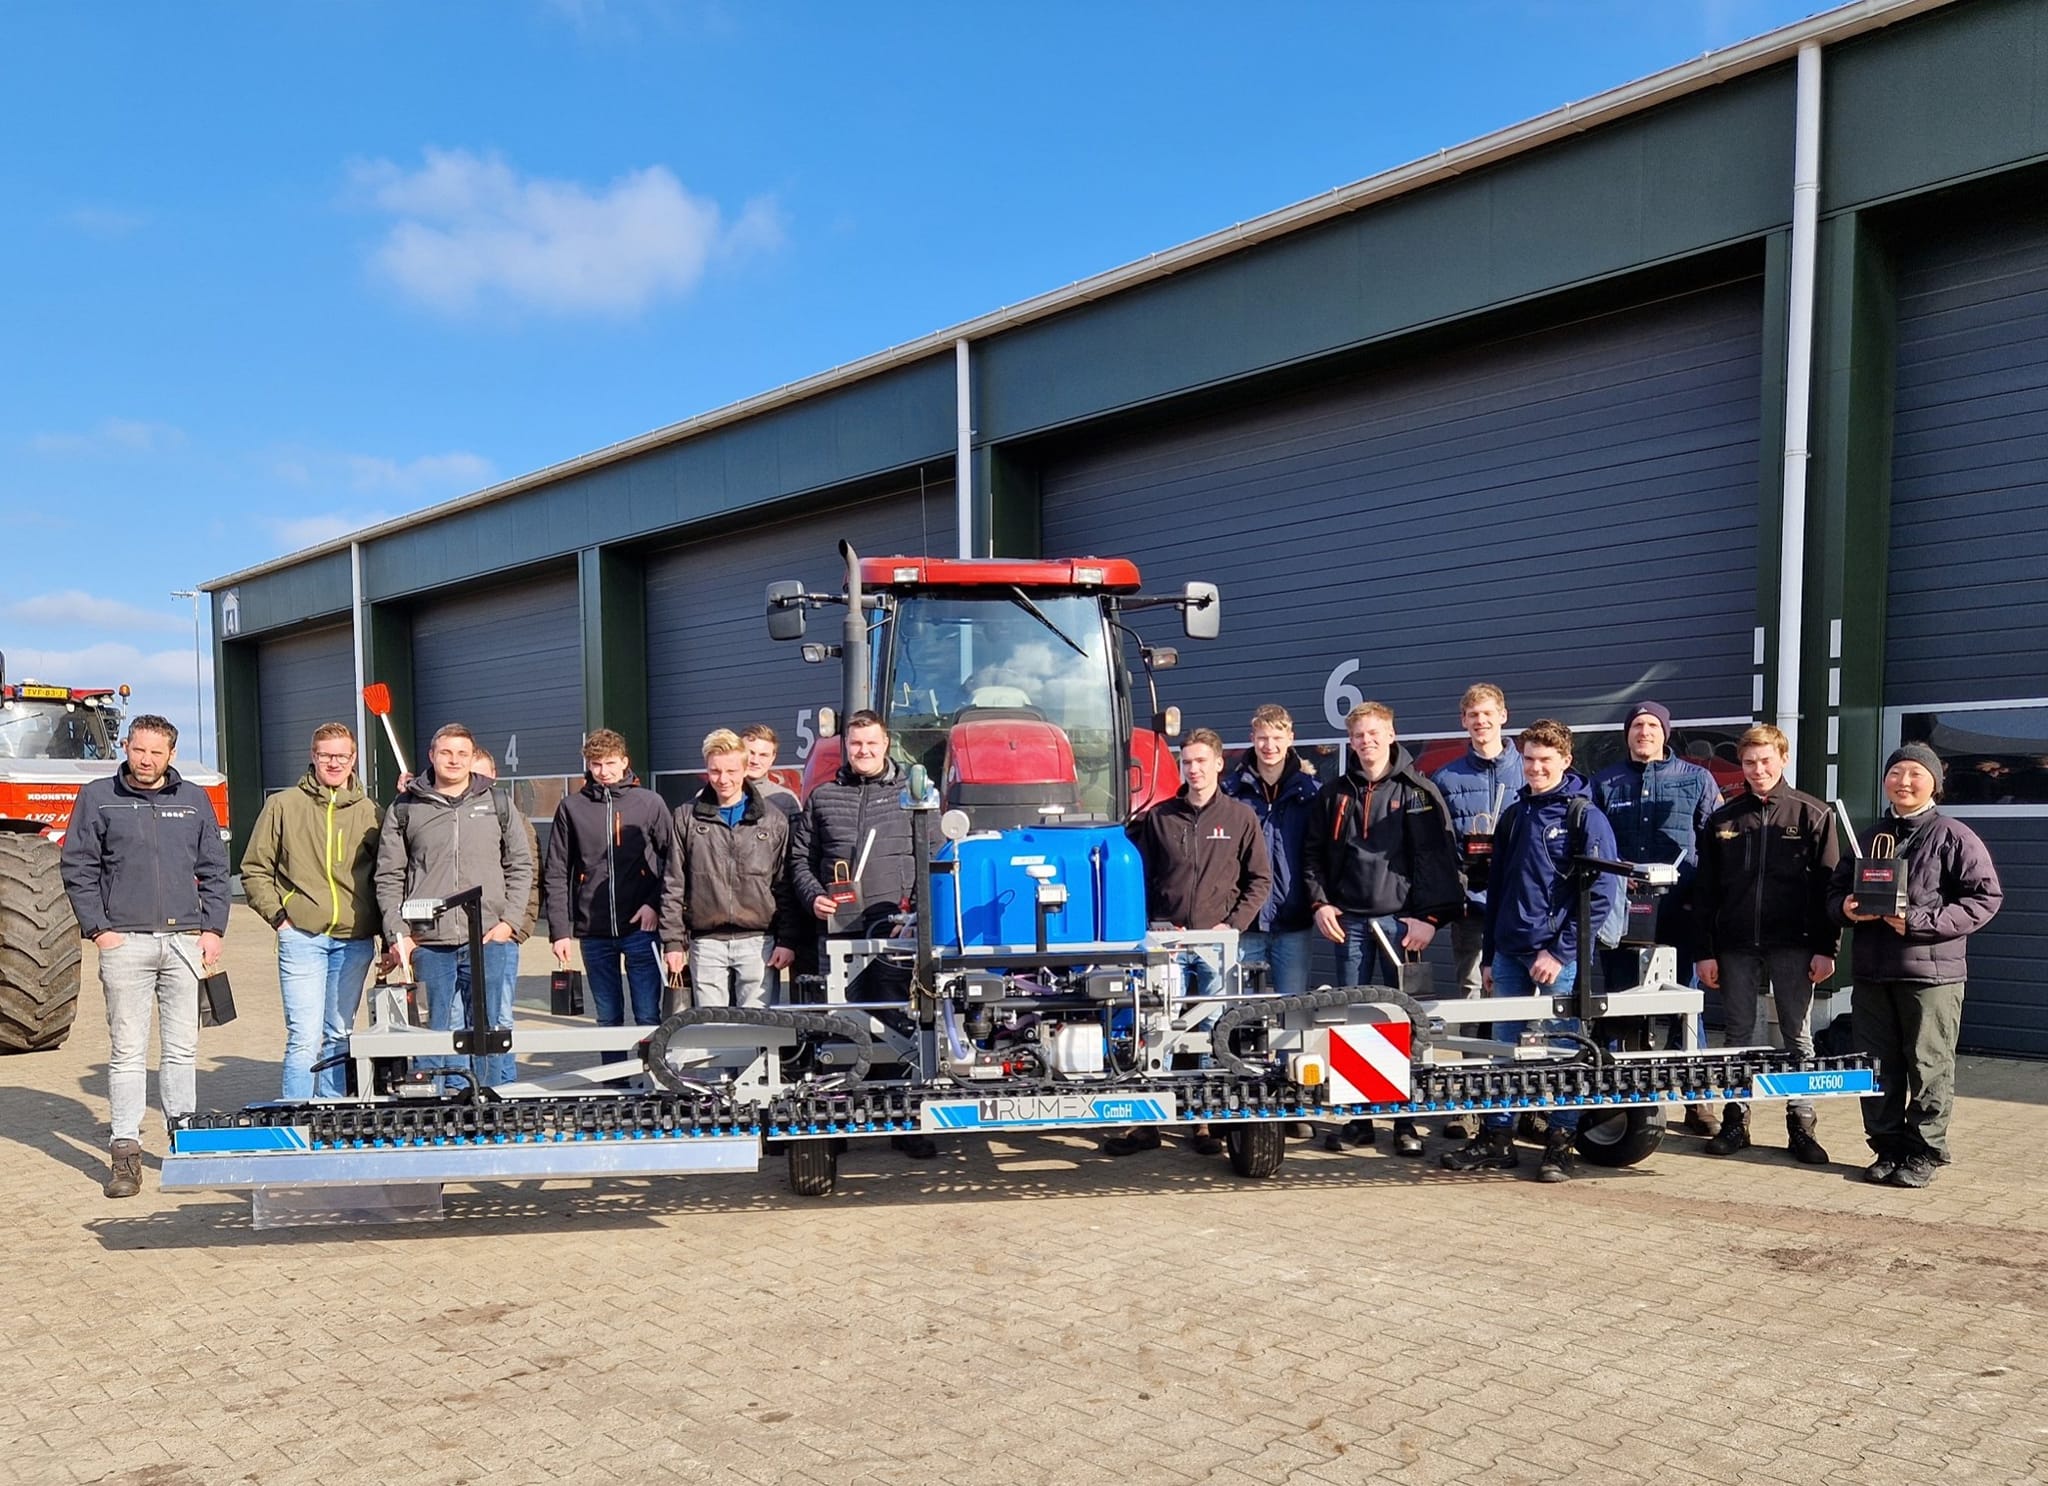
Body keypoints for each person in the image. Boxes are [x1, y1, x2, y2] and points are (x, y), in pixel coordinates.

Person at [1442, 719, 1622, 1183]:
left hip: (1554, 960)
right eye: (1529, 760)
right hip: (1509, 954)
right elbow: (1497, 889)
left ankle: (1559, 1144)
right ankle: (1498, 1138)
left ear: (1566, 761)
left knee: (1562, 1050)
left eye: (1546, 760)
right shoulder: (1515, 814)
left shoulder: (1584, 817)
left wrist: (1560, 953)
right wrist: (1488, 953)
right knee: (1503, 1050)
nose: (1536, 768)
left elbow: (1600, 894)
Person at [59, 714, 228, 1198]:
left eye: (156, 752)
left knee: (181, 1051)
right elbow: (78, 866)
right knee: (128, 1053)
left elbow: (215, 869)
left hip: (184, 944)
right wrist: (99, 930)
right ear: (126, 748)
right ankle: (125, 1153)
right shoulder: (98, 796)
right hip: (124, 944)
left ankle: (186, 1147)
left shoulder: (193, 800)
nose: (146, 760)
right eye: (139, 750)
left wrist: (213, 929)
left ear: (171, 755)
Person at [1829, 743, 2002, 1189]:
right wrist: (1847, 909)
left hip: (1932, 976)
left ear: (1934, 785)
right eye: (1896, 773)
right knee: (1877, 1066)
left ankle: (1924, 1152)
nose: (1903, 782)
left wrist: (1921, 923)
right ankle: (1888, 1148)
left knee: (1929, 1066)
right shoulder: (1866, 838)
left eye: (1915, 775)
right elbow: (1831, 893)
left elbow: (1985, 899)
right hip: (1872, 973)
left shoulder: (1955, 836)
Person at [1302, 702, 1462, 1157]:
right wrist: (1320, 904)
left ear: (1392, 735)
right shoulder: (1335, 793)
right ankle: (1360, 1120)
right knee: (1352, 1021)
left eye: (1375, 733)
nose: (1367, 742)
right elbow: (1312, 854)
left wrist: (1430, 919)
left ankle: (1404, 1121)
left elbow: (1437, 858)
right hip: (1348, 922)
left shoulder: (1418, 791)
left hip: (1401, 925)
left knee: (1401, 1021)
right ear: (1350, 741)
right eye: (1359, 735)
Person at [1113, 727, 1272, 1158]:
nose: (1194, 769)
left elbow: (1259, 881)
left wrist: (1232, 925)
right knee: (1157, 1027)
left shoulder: (1241, 818)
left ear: (1220, 764)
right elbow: (1137, 877)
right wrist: (1151, 923)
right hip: (1168, 943)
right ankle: (1146, 1122)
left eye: (1202, 761)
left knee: (1210, 1029)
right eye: (1188, 762)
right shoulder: (1160, 817)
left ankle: (1204, 1120)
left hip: (1215, 945)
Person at [789, 709, 938, 1159]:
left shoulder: (914, 795)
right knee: (837, 1033)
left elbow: (931, 857)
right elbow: (799, 861)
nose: (864, 751)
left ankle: (907, 1125)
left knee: (901, 1029)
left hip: (893, 934)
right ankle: (836, 1128)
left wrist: (910, 912)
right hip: (836, 937)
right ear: (845, 748)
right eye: (856, 745)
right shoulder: (822, 797)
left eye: (872, 743)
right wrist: (814, 896)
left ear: (886, 743)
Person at [1692, 725, 1841, 1165]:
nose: (1758, 770)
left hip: (1795, 945)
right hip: (1735, 945)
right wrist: (1705, 950)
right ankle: (1737, 1121)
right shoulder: (1723, 819)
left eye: (1765, 761)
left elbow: (1830, 889)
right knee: (1739, 1036)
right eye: (1750, 762)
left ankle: (1801, 1125)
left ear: (1783, 760)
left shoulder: (1812, 814)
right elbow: (1706, 893)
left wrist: (1827, 948)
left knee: (1798, 1037)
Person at [374, 723, 533, 1091]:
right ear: (432, 755)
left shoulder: (496, 802)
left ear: (472, 757)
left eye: (462, 753)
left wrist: (509, 922)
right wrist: (399, 935)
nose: (454, 760)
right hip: (429, 942)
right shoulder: (406, 808)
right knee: (431, 1032)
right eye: (446, 752)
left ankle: (486, 1103)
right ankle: (432, 1106)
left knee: (489, 1029)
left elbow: (521, 864)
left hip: (488, 938)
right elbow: (389, 875)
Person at [1591, 699, 1723, 1137]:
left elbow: (1715, 844)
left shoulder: (1696, 779)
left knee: (1685, 1003)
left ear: (1666, 733)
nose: (1643, 732)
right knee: (1620, 1001)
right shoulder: (1604, 782)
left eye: (1652, 726)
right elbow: (1592, 844)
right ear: (1626, 734)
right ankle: (1616, 1095)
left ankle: (1696, 1098)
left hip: (1680, 912)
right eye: (1636, 726)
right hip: (1623, 916)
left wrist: (1701, 894)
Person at [239, 722, 384, 1100]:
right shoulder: (283, 806)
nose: (334, 763)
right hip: (302, 937)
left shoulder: (371, 812)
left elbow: (385, 877)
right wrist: (281, 918)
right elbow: (254, 869)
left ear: (353, 759)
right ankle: (296, 1117)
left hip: (354, 941)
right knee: (304, 1036)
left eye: (342, 756)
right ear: (313, 756)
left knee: (339, 1034)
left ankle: (332, 1116)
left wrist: (385, 936)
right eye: (326, 755)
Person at [1430, 683, 1524, 1140]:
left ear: (1503, 715)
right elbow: (1442, 851)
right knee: (1470, 996)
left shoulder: (1530, 769)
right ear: (1463, 721)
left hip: (1521, 911)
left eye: (1488, 713)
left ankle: (1520, 1095)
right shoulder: (1447, 779)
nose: (1480, 721)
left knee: (1520, 1000)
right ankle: (1469, 1098)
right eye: (1472, 715)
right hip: (1472, 909)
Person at [543, 729, 672, 1052]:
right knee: (607, 1017)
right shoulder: (571, 808)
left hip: (642, 926)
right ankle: (615, 1082)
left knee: (647, 1014)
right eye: (596, 764)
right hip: (593, 930)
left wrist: (654, 904)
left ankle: (654, 1082)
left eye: (610, 763)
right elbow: (557, 870)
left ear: (625, 762)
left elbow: (674, 861)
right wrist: (560, 931)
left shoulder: (650, 803)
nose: (604, 771)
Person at [661, 729, 798, 1008]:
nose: (723, 779)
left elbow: (784, 883)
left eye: (731, 771)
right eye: (715, 771)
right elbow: (673, 882)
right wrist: (673, 943)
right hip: (706, 942)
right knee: (712, 1030)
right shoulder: (685, 817)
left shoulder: (772, 819)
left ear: (746, 768)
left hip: (758, 942)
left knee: (758, 1031)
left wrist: (787, 939)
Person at [1220, 704, 1319, 998]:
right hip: (1244, 925)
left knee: (1293, 1013)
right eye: (1263, 738)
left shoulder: (1312, 793)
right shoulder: (1231, 793)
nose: (1269, 746)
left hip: (1293, 923)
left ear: (1291, 738)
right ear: (1252, 738)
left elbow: (1319, 855)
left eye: (1277, 737)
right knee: (1241, 1014)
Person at [741, 723, 800, 817]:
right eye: (751, 753)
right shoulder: (720, 793)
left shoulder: (786, 799)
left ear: (773, 758)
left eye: (763, 755)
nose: (755, 761)